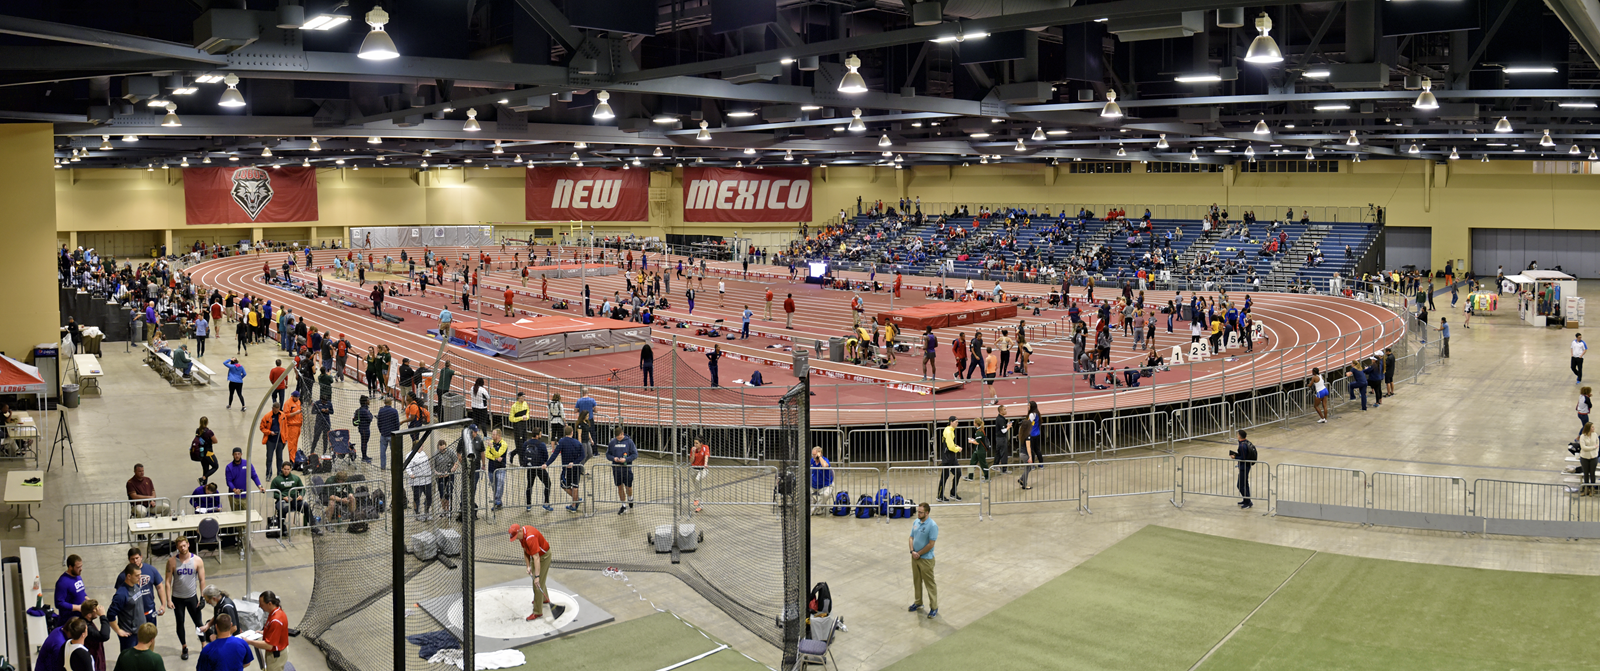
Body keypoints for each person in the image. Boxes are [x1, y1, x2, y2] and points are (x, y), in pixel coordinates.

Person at [510, 525, 565, 622]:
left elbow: (536, 557)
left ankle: (537, 612)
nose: (516, 539)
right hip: (536, 556)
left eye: (516, 537)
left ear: (519, 531)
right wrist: (528, 566)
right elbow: (526, 551)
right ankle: (544, 599)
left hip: (543, 557)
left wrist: (537, 576)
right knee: (540, 581)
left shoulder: (530, 538)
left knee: (537, 584)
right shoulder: (522, 535)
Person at [164, 537, 206, 660]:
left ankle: (204, 644)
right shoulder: (172, 562)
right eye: (180, 546)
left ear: (188, 545)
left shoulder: (197, 560)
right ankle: (184, 646)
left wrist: (202, 597)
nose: (182, 548)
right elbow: (167, 581)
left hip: (192, 596)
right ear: (177, 547)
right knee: (180, 623)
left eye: (184, 545)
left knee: (198, 622)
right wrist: (168, 599)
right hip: (177, 598)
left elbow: (202, 580)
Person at [907, 502, 939, 619]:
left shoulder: (932, 526)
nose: (918, 514)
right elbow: (911, 537)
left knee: (929, 584)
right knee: (917, 581)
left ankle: (934, 607)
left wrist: (919, 554)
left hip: (926, 559)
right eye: (918, 511)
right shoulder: (916, 522)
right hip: (915, 557)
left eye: (920, 512)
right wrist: (912, 551)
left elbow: (931, 544)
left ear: (927, 513)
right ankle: (918, 602)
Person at [546, 425, 588, 513]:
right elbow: (583, 456)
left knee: (564, 485)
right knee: (575, 485)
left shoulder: (562, 442)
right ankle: (574, 504)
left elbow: (555, 454)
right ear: (572, 432)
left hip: (566, 469)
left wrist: (547, 464)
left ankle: (575, 500)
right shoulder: (577, 443)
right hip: (576, 467)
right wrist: (575, 462)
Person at [244, 592, 290, 671]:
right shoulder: (275, 612)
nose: (260, 606)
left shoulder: (276, 620)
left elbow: (269, 645)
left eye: (262, 604)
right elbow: (277, 632)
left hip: (276, 656)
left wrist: (249, 641)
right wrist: (264, 632)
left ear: (269, 604)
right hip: (276, 653)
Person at [107, 566, 147, 651]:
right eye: (137, 575)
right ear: (129, 576)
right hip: (130, 636)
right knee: (129, 661)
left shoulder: (135, 586)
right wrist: (118, 630)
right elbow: (110, 614)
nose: (139, 577)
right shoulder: (121, 594)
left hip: (140, 631)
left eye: (140, 574)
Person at [518, 430, 552, 512]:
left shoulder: (526, 443)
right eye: (540, 434)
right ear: (537, 435)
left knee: (529, 485)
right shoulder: (542, 444)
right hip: (540, 468)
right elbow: (546, 456)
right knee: (548, 483)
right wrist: (543, 463)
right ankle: (546, 503)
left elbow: (522, 454)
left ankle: (528, 505)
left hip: (530, 468)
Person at [606, 427, 637, 515]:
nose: (618, 439)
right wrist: (614, 458)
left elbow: (635, 454)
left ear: (622, 434)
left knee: (628, 487)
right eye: (617, 438)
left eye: (620, 437)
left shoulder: (629, 442)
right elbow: (608, 454)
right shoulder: (612, 442)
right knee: (619, 487)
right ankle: (623, 505)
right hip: (616, 469)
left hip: (626, 469)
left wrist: (626, 460)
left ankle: (630, 498)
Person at [224, 448, 264, 512]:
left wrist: (260, 486)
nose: (237, 456)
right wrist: (234, 490)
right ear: (233, 455)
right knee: (235, 515)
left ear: (241, 454)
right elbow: (229, 481)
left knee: (246, 514)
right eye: (235, 454)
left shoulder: (247, 463)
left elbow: (254, 476)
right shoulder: (229, 467)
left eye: (238, 454)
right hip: (233, 496)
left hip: (245, 495)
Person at [1230, 430, 1258, 509]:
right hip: (1246, 466)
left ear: (1239, 436)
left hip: (1244, 467)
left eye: (1237, 434)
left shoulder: (1242, 445)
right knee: (1245, 484)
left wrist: (1235, 457)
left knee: (1240, 485)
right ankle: (1246, 500)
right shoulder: (1246, 442)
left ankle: (1248, 502)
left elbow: (1243, 457)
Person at [937, 416, 963, 502]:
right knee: (945, 476)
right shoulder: (948, 432)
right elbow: (950, 446)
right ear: (951, 422)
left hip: (951, 457)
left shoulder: (951, 430)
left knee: (958, 473)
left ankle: (953, 493)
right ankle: (940, 495)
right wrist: (957, 449)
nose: (957, 423)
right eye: (956, 422)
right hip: (947, 457)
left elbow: (951, 443)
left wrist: (955, 446)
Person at [408, 441, 436, 519]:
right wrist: (410, 474)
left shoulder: (424, 454)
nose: (422, 448)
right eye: (420, 446)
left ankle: (426, 511)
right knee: (417, 498)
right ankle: (417, 513)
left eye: (422, 446)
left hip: (427, 480)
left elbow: (427, 463)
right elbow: (407, 466)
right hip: (416, 482)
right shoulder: (410, 455)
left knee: (429, 497)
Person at [432, 439, 460, 516]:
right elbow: (432, 467)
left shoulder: (451, 452)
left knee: (449, 492)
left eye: (443, 449)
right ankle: (444, 509)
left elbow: (456, 463)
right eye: (441, 449)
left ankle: (449, 509)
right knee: (441, 493)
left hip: (449, 476)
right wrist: (437, 473)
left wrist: (451, 471)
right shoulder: (435, 454)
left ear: (446, 446)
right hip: (440, 477)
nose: (442, 451)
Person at [376, 397, 401, 470]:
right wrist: (396, 432)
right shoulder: (394, 411)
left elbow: (379, 423)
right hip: (392, 435)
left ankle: (383, 467)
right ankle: (394, 466)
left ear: (384, 402)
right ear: (391, 403)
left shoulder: (381, 411)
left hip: (383, 434)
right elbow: (397, 423)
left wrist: (381, 431)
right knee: (394, 452)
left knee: (382, 452)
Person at [352, 395, 374, 463]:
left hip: (363, 428)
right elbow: (370, 418)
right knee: (364, 443)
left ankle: (365, 456)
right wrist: (370, 415)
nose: (369, 401)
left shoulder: (361, 409)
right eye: (368, 400)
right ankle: (364, 458)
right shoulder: (364, 411)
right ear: (365, 402)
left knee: (364, 443)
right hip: (364, 429)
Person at [1579, 422, 1599, 496]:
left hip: (1594, 457)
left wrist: (1595, 452)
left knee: (1592, 473)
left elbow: (1598, 443)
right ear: (1588, 428)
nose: (1594, 428)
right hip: (1584, 457)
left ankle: (1592, 489)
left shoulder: (1595, 435)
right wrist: (1593, 447)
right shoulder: (1582, 436)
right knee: (1586, 474)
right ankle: (1586, 489)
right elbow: (1584, 448)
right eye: (1592, 427)